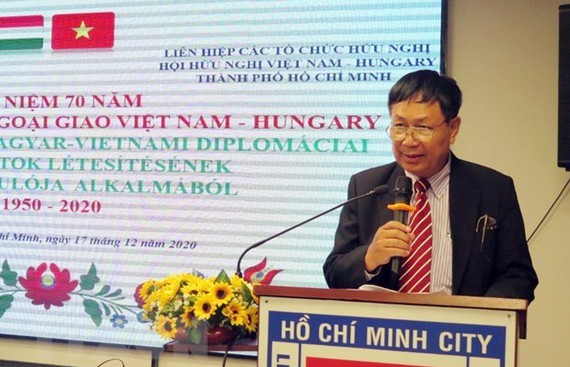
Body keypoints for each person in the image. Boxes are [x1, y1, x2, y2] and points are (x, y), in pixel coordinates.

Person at [322, 69, 538, 302]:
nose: (408, 140)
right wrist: (369, 258)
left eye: (423, 128)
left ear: (453, 129)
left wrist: (480, 316)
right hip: (382, 331)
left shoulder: (493, 190)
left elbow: (518, 276)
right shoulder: (367, 186)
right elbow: (335, 274)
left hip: (460, 332)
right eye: (400, 126)